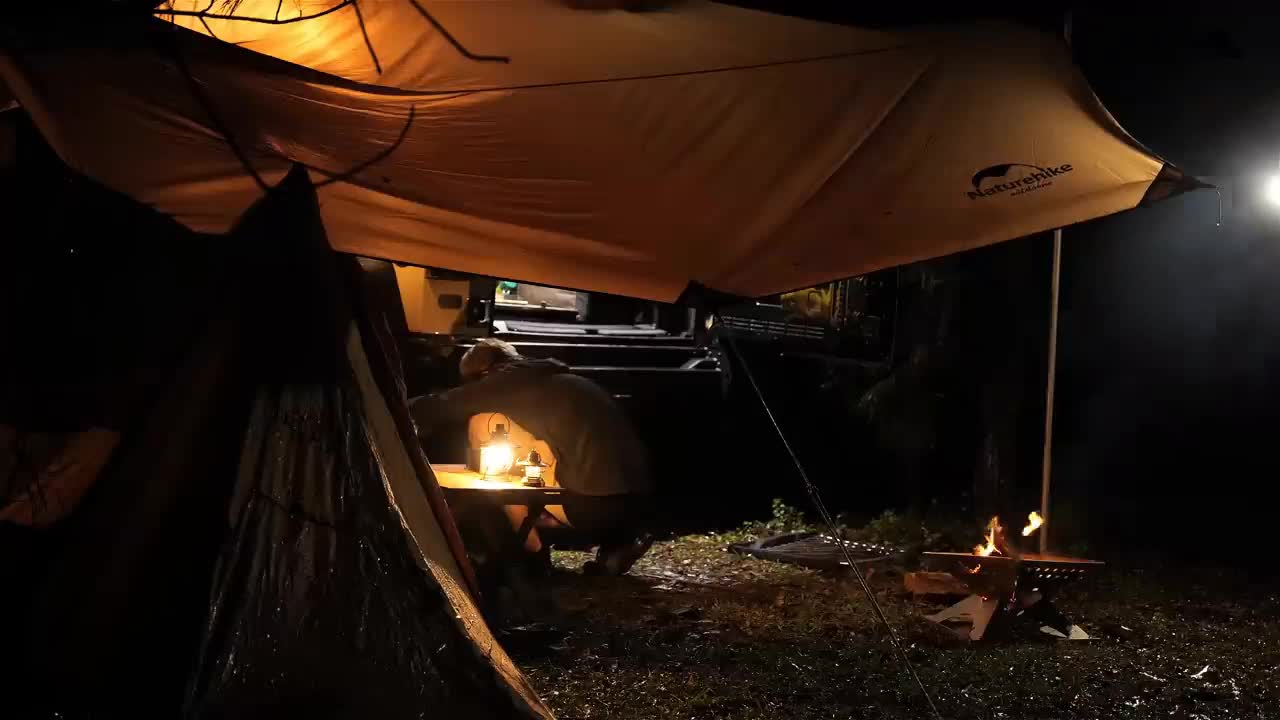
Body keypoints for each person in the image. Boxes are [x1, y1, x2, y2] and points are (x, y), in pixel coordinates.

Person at [410, 338, 654, 576]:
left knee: (484, 426)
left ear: (484, 373)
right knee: (547, 448)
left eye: (472, 383)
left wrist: (396, 406)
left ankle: (533, 554)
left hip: (591, 505)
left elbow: (444, 405)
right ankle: (618, 543)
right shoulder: (561, 379)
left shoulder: (506, 383)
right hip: (638, 502)